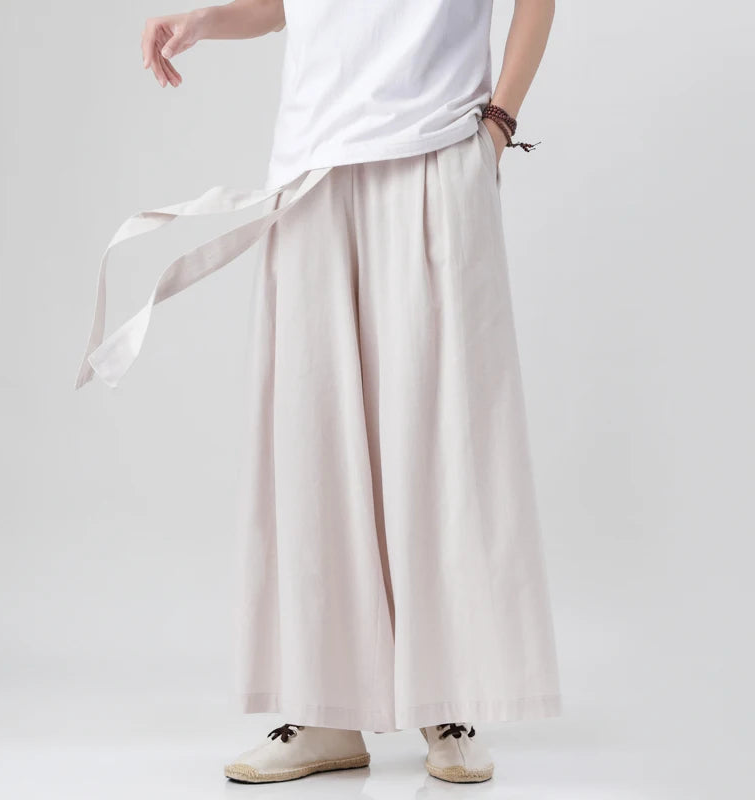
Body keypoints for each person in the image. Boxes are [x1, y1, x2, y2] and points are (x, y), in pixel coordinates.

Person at [76, 0, 561, 785]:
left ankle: (448, 699)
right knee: (312, 436)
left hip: (435, 149)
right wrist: (205, 21)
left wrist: (498, 125)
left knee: (435, 438)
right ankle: (326, 709)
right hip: (311, 166)